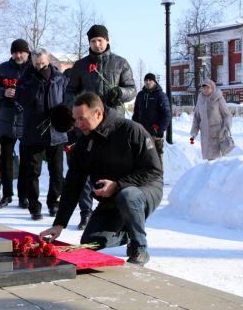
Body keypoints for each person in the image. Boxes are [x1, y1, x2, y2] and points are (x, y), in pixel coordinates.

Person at [40, 92, 163, 266]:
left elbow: (154, 170)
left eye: (82, 119)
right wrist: (59, 223)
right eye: (75, 119)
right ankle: (128, 232)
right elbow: (73, 184)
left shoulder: (131, 130)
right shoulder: (84, 143)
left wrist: (118, 185)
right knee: (90, 242)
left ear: (98, 113)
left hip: (144, 189)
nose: (78, 125)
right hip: (112, 198)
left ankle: (139, 247)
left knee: (127, 196)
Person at [16, 48, 68, 220]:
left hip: (56, 132)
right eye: (37, 64)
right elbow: (21, 100)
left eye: (43, 64)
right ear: (32, 62)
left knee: (57, 172)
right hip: (33, 132)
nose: (40, 67)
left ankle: (53, 203)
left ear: (49, 61)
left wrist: (66, 116)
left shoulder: (60, 78)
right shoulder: (25, 78)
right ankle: (34, 207)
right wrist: (36, 81)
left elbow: (67, 99)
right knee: (33, 173)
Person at [0, 39, 30, 209]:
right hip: (7, 118)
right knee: (5, 159)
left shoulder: (33, 67)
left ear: (27, 53)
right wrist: (3, 91)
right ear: (11, 53)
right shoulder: (3, 68)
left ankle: (24, 196)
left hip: (27, 119)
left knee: (27, 160)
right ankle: (7, 194)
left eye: (21, 52)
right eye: (15, 52)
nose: (18, 55)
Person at [64, 24, 136, 116]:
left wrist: (120, 92)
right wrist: (75, 109)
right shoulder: (80, 65)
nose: (96, 44)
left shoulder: (121, 63)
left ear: (106, 40)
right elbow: (70, 91)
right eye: (93, 41)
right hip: (88, 117)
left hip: (114, 118)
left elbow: (132, 89)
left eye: (99, 40)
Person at [63, 68, 93, 230]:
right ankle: (85, 212)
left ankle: (90, 211)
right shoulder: (65, 96)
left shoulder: (87, 96)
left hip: (88, 136)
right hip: (72, 138)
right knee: (79, 177)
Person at [132, 73, 171, 168]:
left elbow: (167, 114)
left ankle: (158, 178)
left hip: (155, 134)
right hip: (142, 133)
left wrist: (160, 129)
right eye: (146, 80)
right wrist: (135, 126)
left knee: (157, 156)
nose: (148, 82)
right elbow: (136, 113)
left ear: (154, 81)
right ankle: (146, 178)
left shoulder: (160, 95)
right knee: (144, 156)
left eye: (150, 80)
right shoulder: (140, 95)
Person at [190, 79, 232, 161]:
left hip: (217, 133)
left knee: (217, 160)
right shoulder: (200, 98)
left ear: (212, 88)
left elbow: (227, 115)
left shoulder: (218, 98)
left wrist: (226, 128)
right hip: (205, 134)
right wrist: (194, 133)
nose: (205, 90)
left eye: (207, 88)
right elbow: (197, 117)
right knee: (208, 160)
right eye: (204, 88)